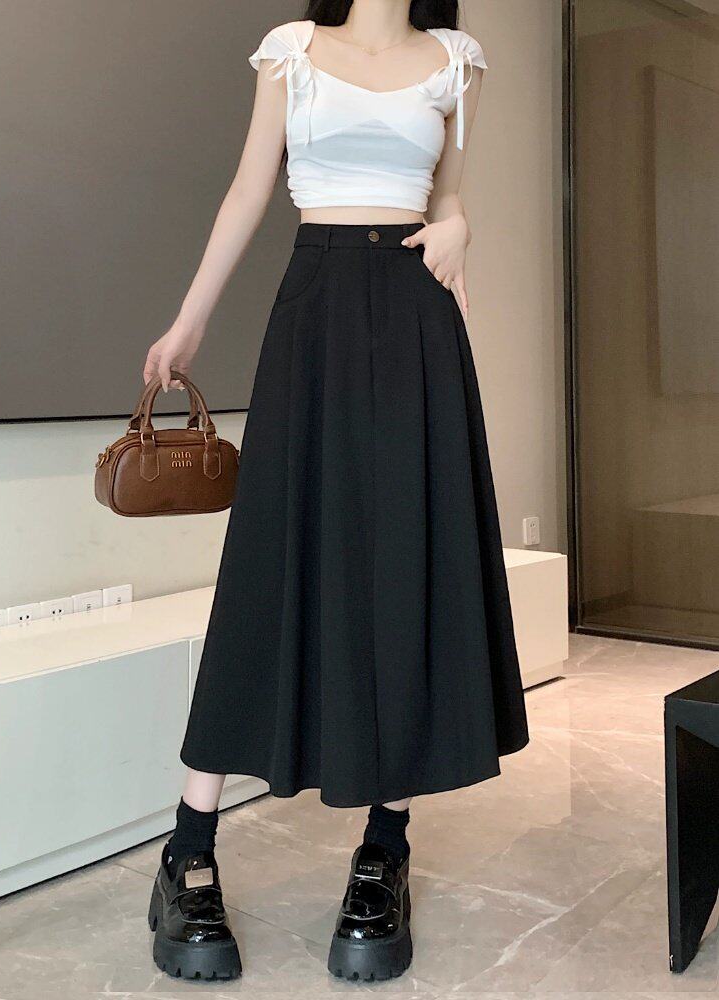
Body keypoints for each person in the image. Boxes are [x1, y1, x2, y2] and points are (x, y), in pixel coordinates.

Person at [144, 0, 529, 984]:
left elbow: (450, 195)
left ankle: (383, 851)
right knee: (270, 567)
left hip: (416, 319)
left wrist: (459, 226)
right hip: (313, 313)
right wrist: (189, 321)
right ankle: (189, 845)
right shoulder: (291, 51)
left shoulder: (457, 61)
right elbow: (248, 190)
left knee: (404, 564)